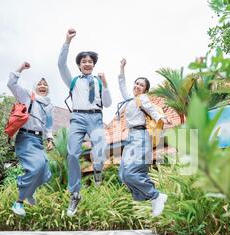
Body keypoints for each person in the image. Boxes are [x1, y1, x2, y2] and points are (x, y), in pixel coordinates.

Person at [58, 28, 112, 216]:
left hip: (96, 117)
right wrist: (67, 42)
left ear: (93, 64)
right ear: (79, 65)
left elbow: (108, 103)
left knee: (100, 150)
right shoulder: (73, 81)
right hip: (78, 118)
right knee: (72, 154)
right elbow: (60, 64)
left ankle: (98, 170)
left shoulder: (98, 82)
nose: (87, 63)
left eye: (90, 61)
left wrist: (105, 86)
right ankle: (75, 194)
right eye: (84, 61)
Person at [118, 58, 171, 216]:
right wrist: (121, 68)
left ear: (145, 90)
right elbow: (122, 84)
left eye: (141, 85)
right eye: (136, 83)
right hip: (131, 137)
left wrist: (161, 118)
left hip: (140, 136)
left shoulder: (143, 99)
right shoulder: (130, 99)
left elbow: (152, 110)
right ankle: (153, 198)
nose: (137, 86)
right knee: (122, 174)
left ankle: (156, 195)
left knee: (130, 172)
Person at [7, 62, 55, 217]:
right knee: (36, 167)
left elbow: (48, 124)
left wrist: (49, 139)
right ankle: (19, 202)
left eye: (45, 84)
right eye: (40, 84)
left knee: (45, 172)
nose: (42, 86)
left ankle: (29, 192)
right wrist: (20, 68)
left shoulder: (49, 105)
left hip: (38, 140)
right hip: (25, 137)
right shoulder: (28, 96)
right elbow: (11, 84)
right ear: (35, 87)